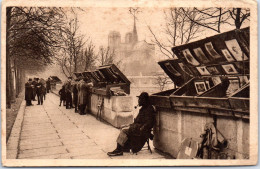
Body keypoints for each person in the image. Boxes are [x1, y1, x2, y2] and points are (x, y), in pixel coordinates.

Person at [107, 92, 156, 156]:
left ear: (144, 100)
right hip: (137, 127)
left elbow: (149, 123)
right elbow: (138, 121)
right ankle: (124, 147)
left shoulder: (149, 109)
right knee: (122, 127)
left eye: (140, 99)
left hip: (142, 131)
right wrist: (130, 125)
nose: (138, 101)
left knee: (124, 130)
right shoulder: (143, 109)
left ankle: (119, 150)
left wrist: (139, 128)